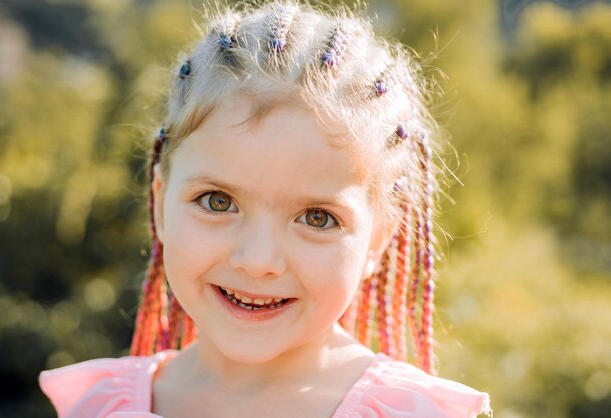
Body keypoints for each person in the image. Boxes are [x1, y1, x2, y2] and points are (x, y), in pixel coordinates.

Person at [39, 2, 491, 417]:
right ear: (159, 204)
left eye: (318, 217)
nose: (257, 262)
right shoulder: (101, 406)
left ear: (378, 239)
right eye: (217, 202)